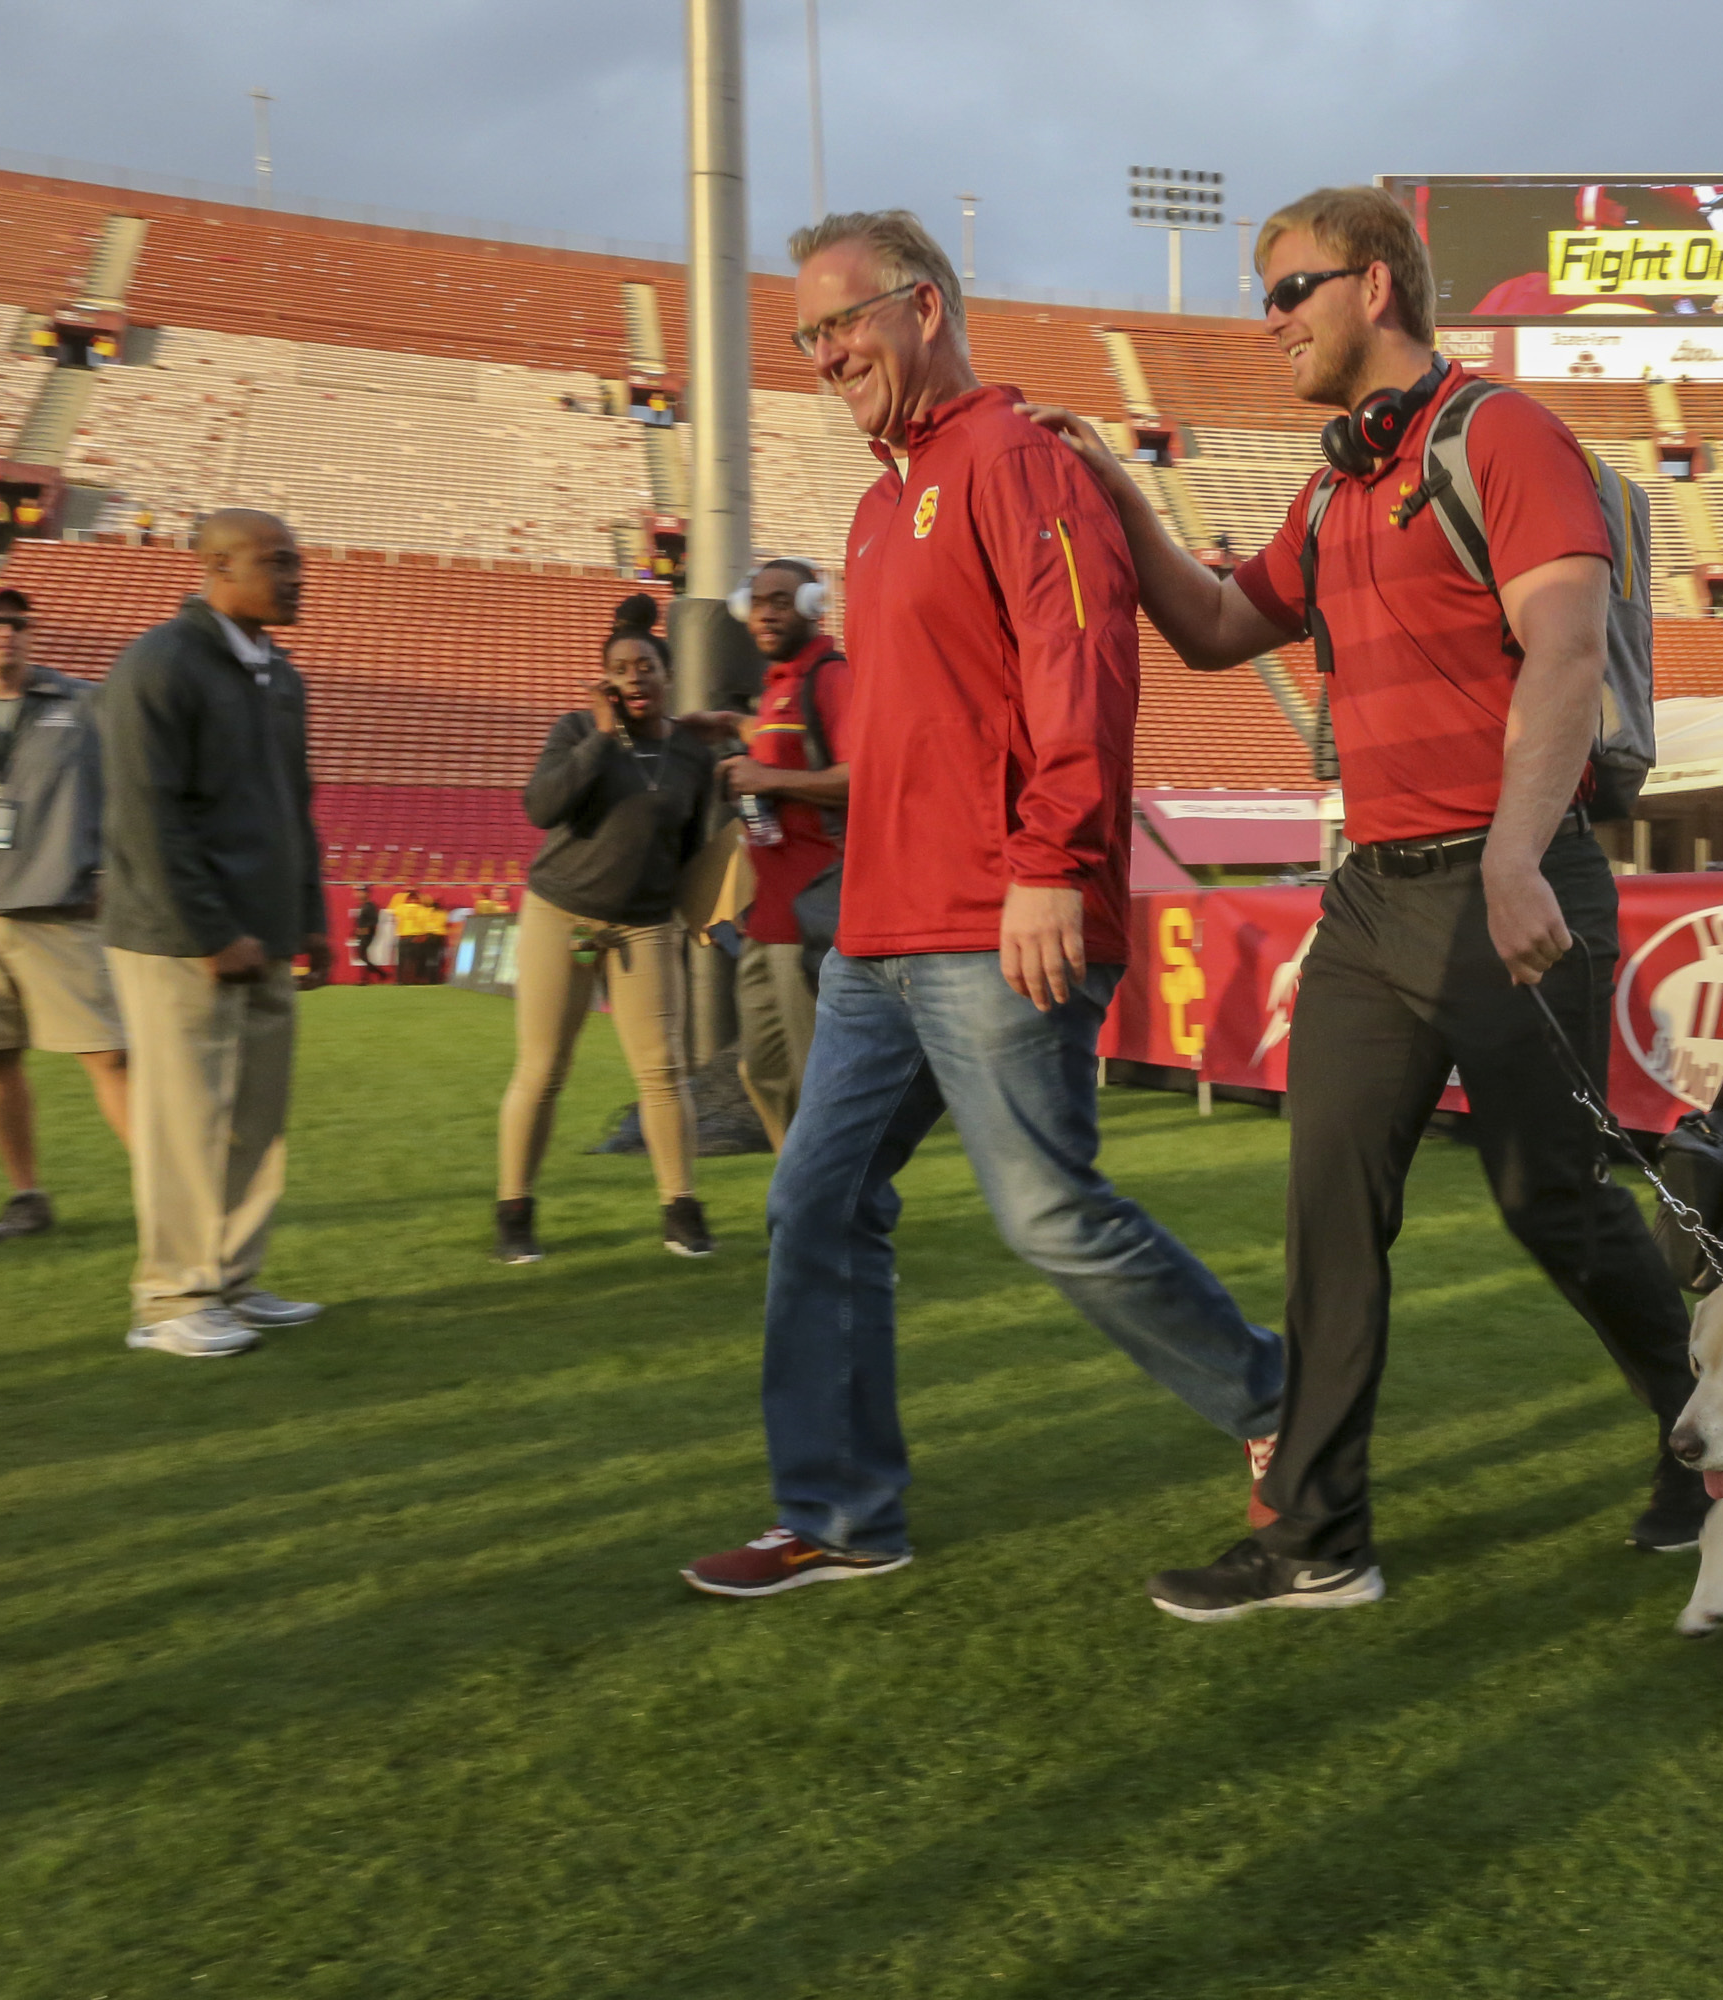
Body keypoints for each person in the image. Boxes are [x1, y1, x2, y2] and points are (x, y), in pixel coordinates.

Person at [1024, 184, 1705, 1619]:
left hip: (1509, 880)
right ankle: (1318, 1540)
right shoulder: (1335, 485)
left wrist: (1519, 851)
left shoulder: (1504, 434)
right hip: (1374, 907)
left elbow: (1568, 651)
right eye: (1265, 293)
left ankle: (1719, 1441)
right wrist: (1118, 496)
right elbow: (1214, 627)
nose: (1267, 319)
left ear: (1377, 285)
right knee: (1329, 1211)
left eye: (1289, 290)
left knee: (1553, 1205)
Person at [679, 210, 1284, 1601]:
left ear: (926, 308)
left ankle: (1277, 1403)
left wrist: (1050, 867)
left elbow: (1085, 676)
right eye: (805, 336)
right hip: (877, 933)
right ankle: (839, 1516)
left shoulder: (1022, 463)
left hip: (999, 916)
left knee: (1048, 1214)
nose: (823, 353)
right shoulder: (881, 507)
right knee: (814, 1203)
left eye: (841, 323)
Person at [99, 509, 330, 1357]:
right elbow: (146, 818)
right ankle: (168, 1299)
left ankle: (230, 1277)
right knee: (185, 1121)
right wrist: (206, 932)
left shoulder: (279, 673)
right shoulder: (161, 664)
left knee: (254, 1119)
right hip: (179, 942)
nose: (297, 577)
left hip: (264, 931)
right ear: (219, 568)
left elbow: (293, 807)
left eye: (297, 563)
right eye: (279, 563)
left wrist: (311, 920)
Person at [494, 595, 720, 1265]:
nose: (634, 677)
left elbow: (691, 847)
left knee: (663, 1072)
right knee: (542, 1068)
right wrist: (598, 735)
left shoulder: (690, 755)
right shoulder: (573, 730)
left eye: (646, 666)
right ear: (605, 680)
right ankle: (514, 1212)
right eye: (621, 668)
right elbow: (542, 807)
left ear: (667, 674)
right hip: (559, 912)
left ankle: (681, 1208)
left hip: (644, 926)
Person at [0, 578, 130, 1243]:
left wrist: (112, 870)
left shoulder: (81, 702)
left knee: (111, 1058)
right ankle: (26, 1194)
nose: (5, 632)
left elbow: (135, 788)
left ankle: (175, 1191)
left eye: (16, 621)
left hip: (58, 908)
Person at [684, 557, 851, 1150]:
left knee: (818, 1081)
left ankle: (835, 1216)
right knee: (764, 1072)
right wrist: (735, 724)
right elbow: (778, 739)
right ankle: (800, 1196)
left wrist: (767, 780)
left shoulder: (831, 677)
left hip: (813, 912)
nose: (768, 612)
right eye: (758, 601)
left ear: (812, 605)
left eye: (783, 599)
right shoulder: (781, 686)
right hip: (767, 916)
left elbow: (863, 777)